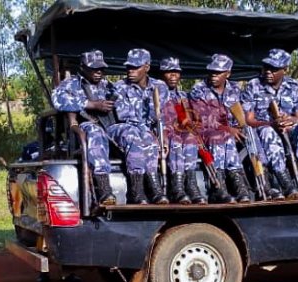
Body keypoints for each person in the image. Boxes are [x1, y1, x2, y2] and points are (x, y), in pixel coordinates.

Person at [241, 48, 298, 198]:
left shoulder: (293, 86)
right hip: (264, 134)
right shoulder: (253, 85)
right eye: (266, 67)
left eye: (273, 68)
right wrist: (271, 123)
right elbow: (248, 120)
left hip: (289, 133)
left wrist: (290, 120)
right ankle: (286, 185)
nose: (268, 71)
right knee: (267, 131)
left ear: (285, 70)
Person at [51, 50, 116, 205]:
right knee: (95, 132)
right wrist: (92, 104)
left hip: (110, 126)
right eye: (94, 68)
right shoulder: (71, 84)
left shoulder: (109, 86)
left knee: (134, 133)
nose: (98, 72)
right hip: (85, 126)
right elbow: (58, 101)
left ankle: (145, 191)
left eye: (101, 68)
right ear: (82, 67)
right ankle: (104, 189)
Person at [108, 48, 169, 204]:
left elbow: (165, 115)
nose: (130, 71)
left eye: (135, 67)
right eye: (129, 67)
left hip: (149, 131)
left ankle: (155, 188)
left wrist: (164, 136)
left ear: (146, 67)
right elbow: (126, 117)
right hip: (122, 127)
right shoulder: (120, 87)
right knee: (135, 135)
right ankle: (137, 191)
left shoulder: (159, 87)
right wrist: (151, 132)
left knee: (152, 139)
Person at [190, 54, 253, 204]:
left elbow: (242, 115)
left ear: (228, 74)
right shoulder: (198, 89)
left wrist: (240, 127)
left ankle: (244, 185)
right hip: (206, 132)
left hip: (231, 133)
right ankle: (219, 188)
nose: (214, 75)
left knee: (252, 136)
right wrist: (227, 129)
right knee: (222, 136)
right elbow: (203, 119)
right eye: (212, 71)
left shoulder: (235, 90)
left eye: (218, 73)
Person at [160, 57, 206, 204]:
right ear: (162, 74)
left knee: (191, 139)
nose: (173, 75)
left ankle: (191, 185)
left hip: (180, 131)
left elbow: (186, 120)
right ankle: (177, 188)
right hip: (163, 132)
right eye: (169, 72)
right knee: (176, 141)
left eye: (176, 72)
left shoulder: (182, 96)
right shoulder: (156, 93)